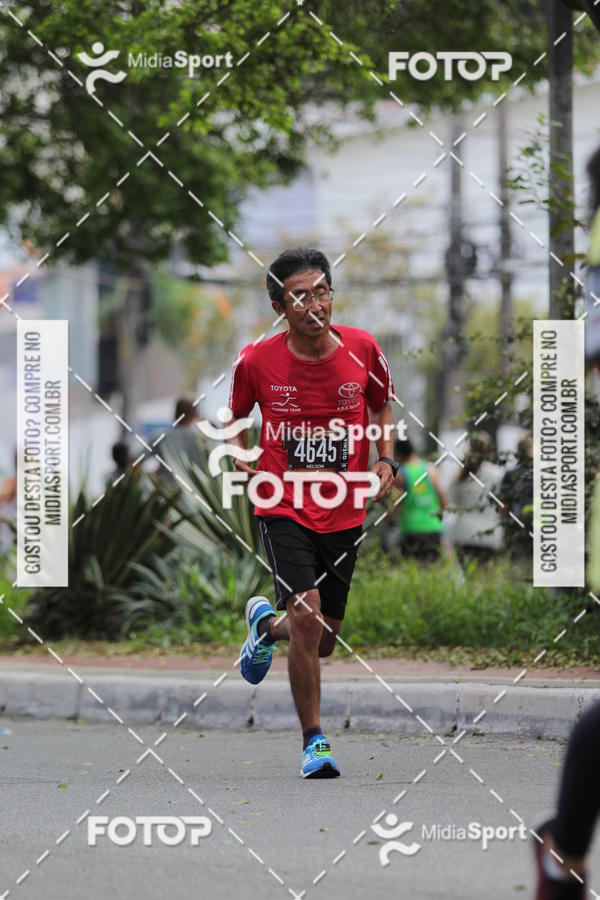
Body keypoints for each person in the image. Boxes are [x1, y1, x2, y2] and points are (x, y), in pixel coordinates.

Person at [227, 247, 396, 778]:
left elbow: (382, 405)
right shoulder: (256, 360)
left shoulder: (363, 348)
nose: (315, 304)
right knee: (308, 613)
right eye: (301, 296)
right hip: (282, 503)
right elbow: (235, 418)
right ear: (281, 307)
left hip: (343, 508)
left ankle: (264, 626)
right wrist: (242, 454)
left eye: (322, 291)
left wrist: (386, 458)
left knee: (321, 639)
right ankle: (314, 741)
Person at [391, 437, 450, 561]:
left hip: (411, 528)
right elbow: (442, 496)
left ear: (398, 454)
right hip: (433, 526)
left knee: (413, 570)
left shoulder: (400, 474)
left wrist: (390, 518)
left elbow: (395, 504)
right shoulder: (430, 469)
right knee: (432, 571)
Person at [448, 431, 504, 561]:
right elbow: (502, 506)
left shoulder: (461, 475)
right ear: (489, 450)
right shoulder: (498, 474)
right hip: (489, 535)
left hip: (463, 534)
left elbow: (451, 498)